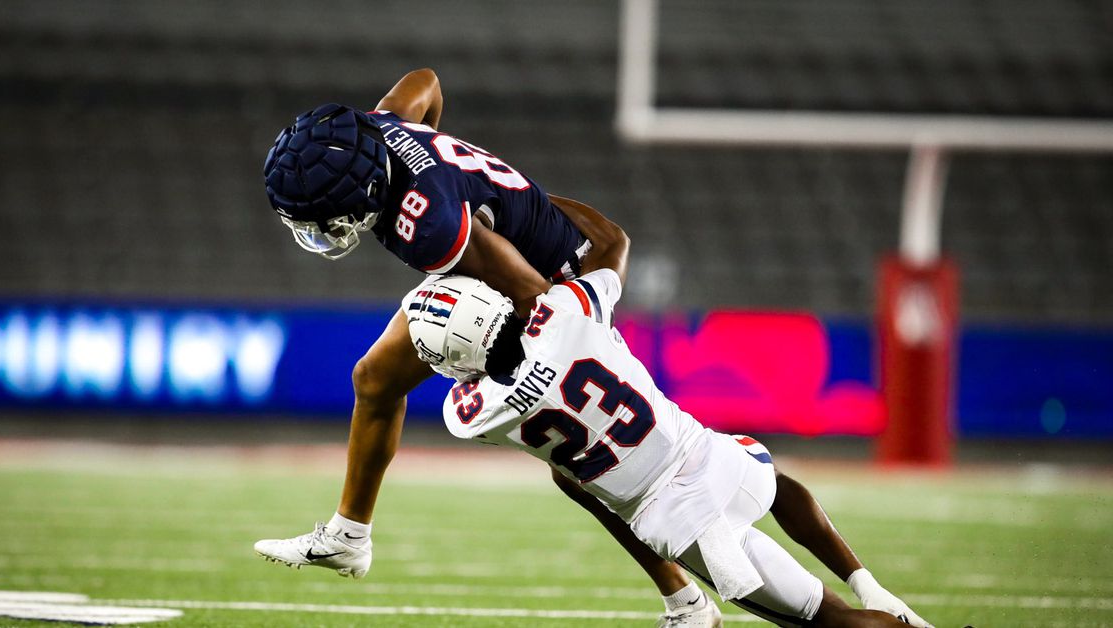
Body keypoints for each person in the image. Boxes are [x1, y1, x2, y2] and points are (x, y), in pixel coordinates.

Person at [253, 67, 718, 626]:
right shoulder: (378, 128)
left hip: (552, 284)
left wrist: (508, 363)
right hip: (485, 258)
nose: (321, 233)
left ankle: (688, 601)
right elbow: (426, 81)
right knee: (374, 380)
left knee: (577, 466)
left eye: (325, 219)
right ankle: (349, 536)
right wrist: (453, 180)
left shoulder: (427, 227)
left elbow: (532, 294)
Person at [387, 224, 933, 627]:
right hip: (715, 462)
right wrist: (519, 204)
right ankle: (868, 582)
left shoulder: (473, 414)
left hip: (673, 518)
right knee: (775, 484)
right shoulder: (566, 313)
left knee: (829, 622)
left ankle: (692, 598)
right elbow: (609, 243)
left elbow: (469, 374)